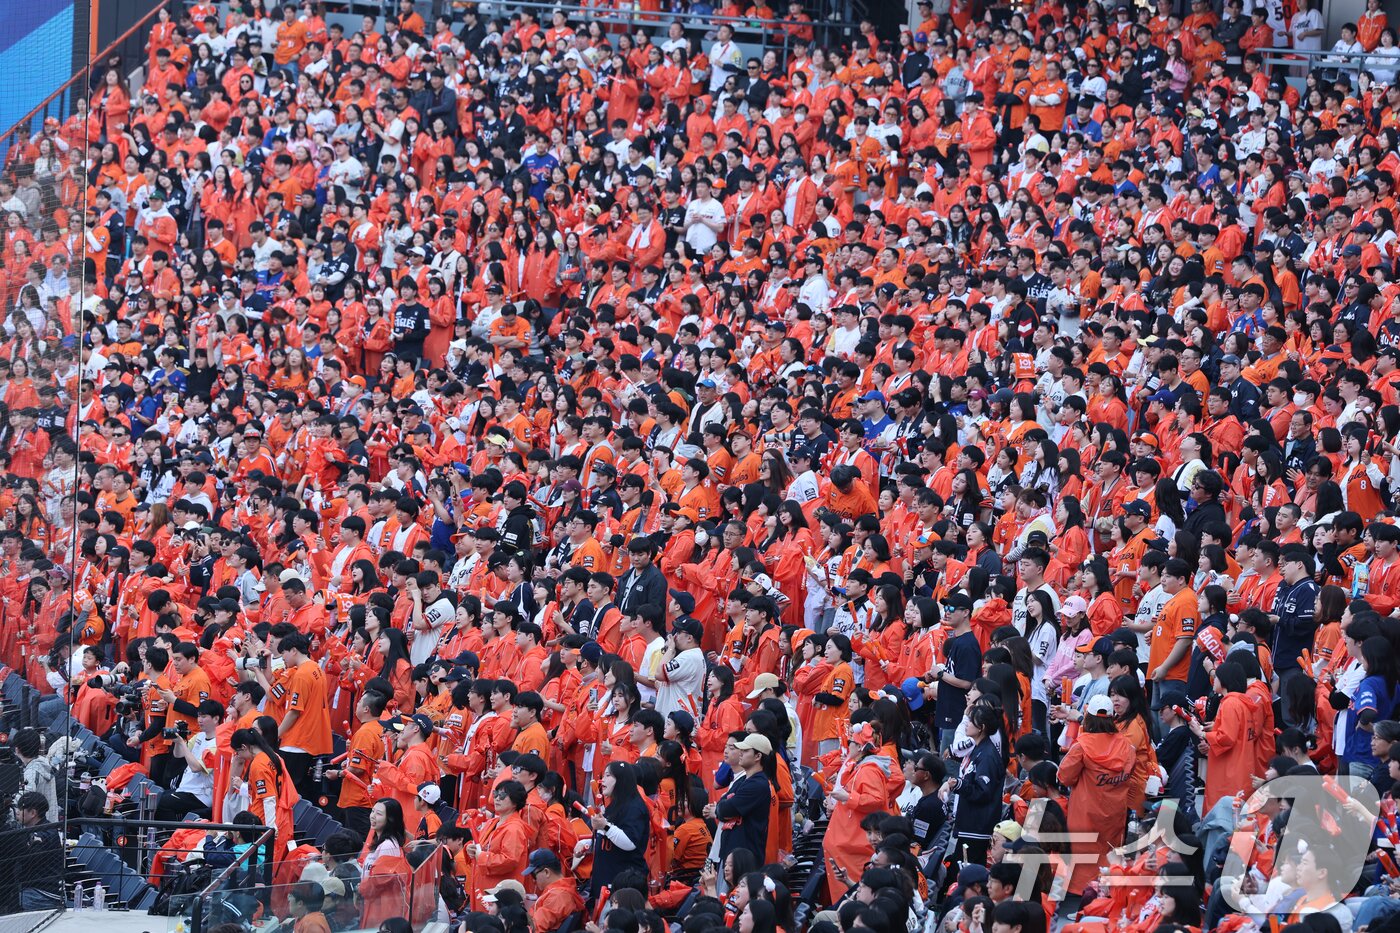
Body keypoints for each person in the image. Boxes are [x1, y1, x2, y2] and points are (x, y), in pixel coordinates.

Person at [6, 791, 63, 910]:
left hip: (42, 894)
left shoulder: (45, 834)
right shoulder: (43, 827)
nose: (17, 812)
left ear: (32, 813)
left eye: (20, 809)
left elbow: (28, 858)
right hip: (35, 888)